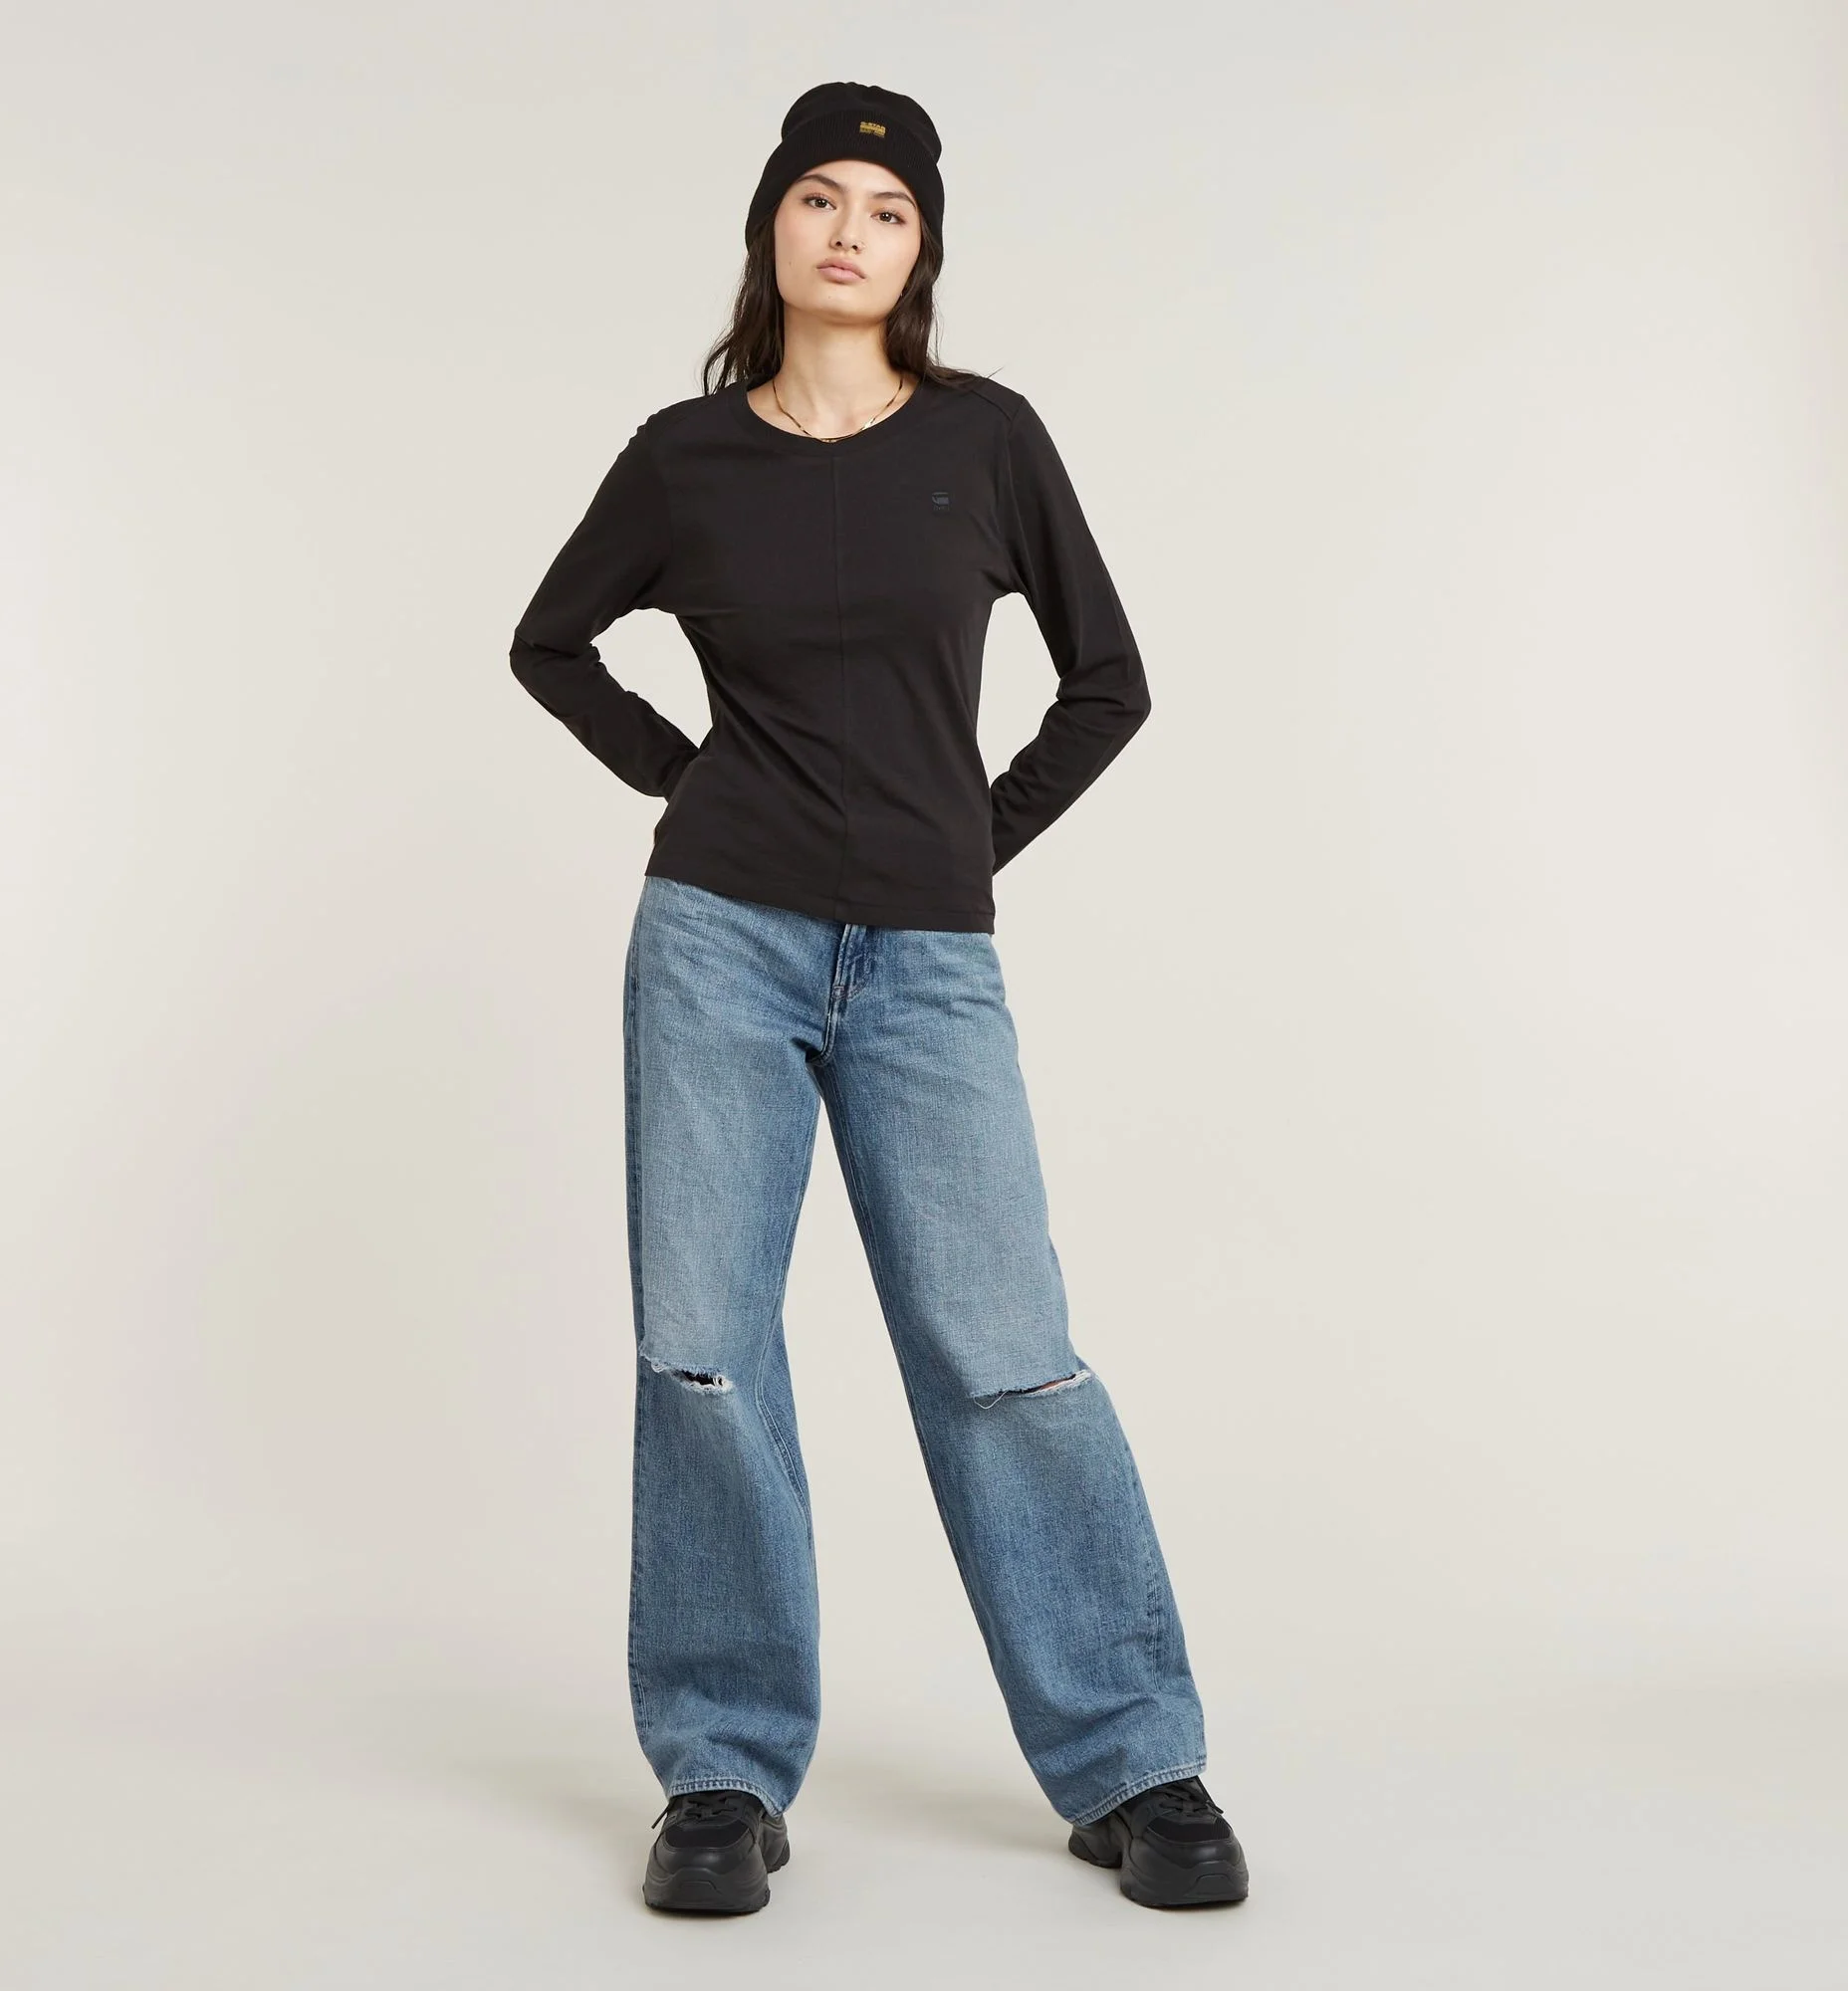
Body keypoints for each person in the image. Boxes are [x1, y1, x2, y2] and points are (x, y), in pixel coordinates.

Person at [508, 80, 1249, 1916]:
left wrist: (966, 839)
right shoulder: (685, 460)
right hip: (716, 945)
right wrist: (684, 780)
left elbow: (1110, 679)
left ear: (922, 252)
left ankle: (1131, 1758)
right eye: (822, 198)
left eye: (889, 210)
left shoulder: (987, 440)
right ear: (772, 225)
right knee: (704, 1353)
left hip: (928, 963)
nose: (852, 231)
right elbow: (549, 641)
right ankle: (721, 1770)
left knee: (1005, 1349)